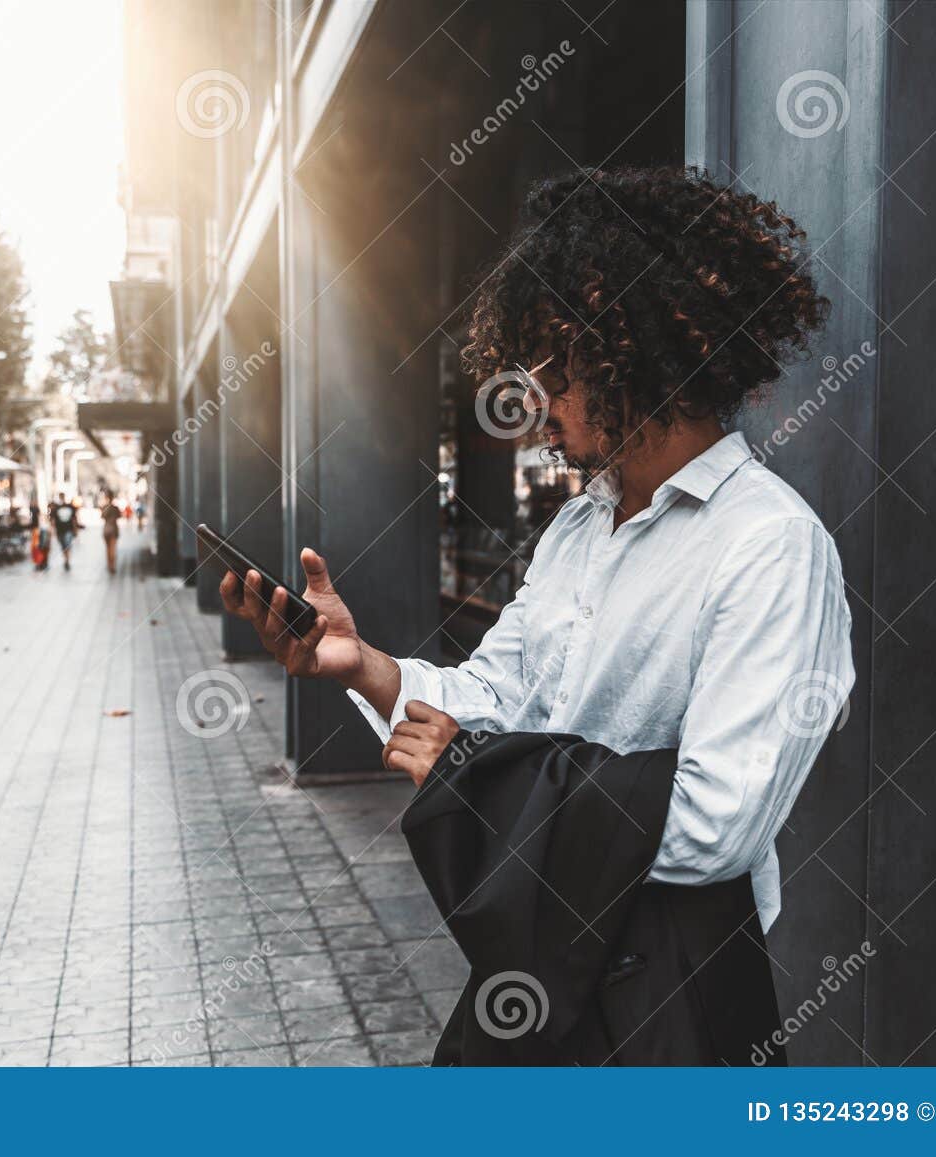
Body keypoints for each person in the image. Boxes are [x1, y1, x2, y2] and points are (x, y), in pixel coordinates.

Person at [221, 165, 854, 1065]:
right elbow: (495, 692)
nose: (531, 407)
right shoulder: (580, 527)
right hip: (541, 957)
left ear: (645, 343)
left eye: (551, 371)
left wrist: (481, 778)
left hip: (664, 995)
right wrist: (360, 663)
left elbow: (717, 826)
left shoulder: (772, 546)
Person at [48, 491, 79, 571]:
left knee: (67, 545)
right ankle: (66, 559)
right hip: (60, 530)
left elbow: (74, 519)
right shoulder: (56, 508)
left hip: (68, 529)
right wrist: (53, 530)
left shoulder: (70, 507)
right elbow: (53, 520)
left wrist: (75, 530)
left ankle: (67, 560)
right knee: (63, 546)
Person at [100, 492, 122, 574]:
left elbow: (102, 516)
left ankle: (109, 565)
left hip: (106, 529)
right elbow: (119, 516)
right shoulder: (115, 508)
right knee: (112, 548)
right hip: (113, 528)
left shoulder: (104, 507)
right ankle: (112, 565)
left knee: (108, 549)